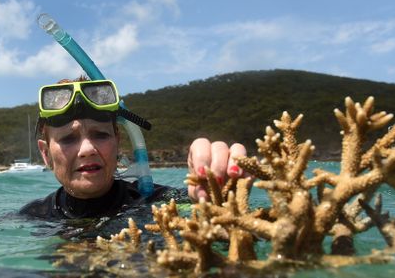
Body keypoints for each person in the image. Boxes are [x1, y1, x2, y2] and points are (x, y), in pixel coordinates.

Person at [19, 76, 248, 220]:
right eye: (68, 138)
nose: (87, 149)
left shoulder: (160, 202)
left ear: (118, 141)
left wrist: (220, 198)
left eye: (100, 134)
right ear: (46, 154)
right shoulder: (33, 216)